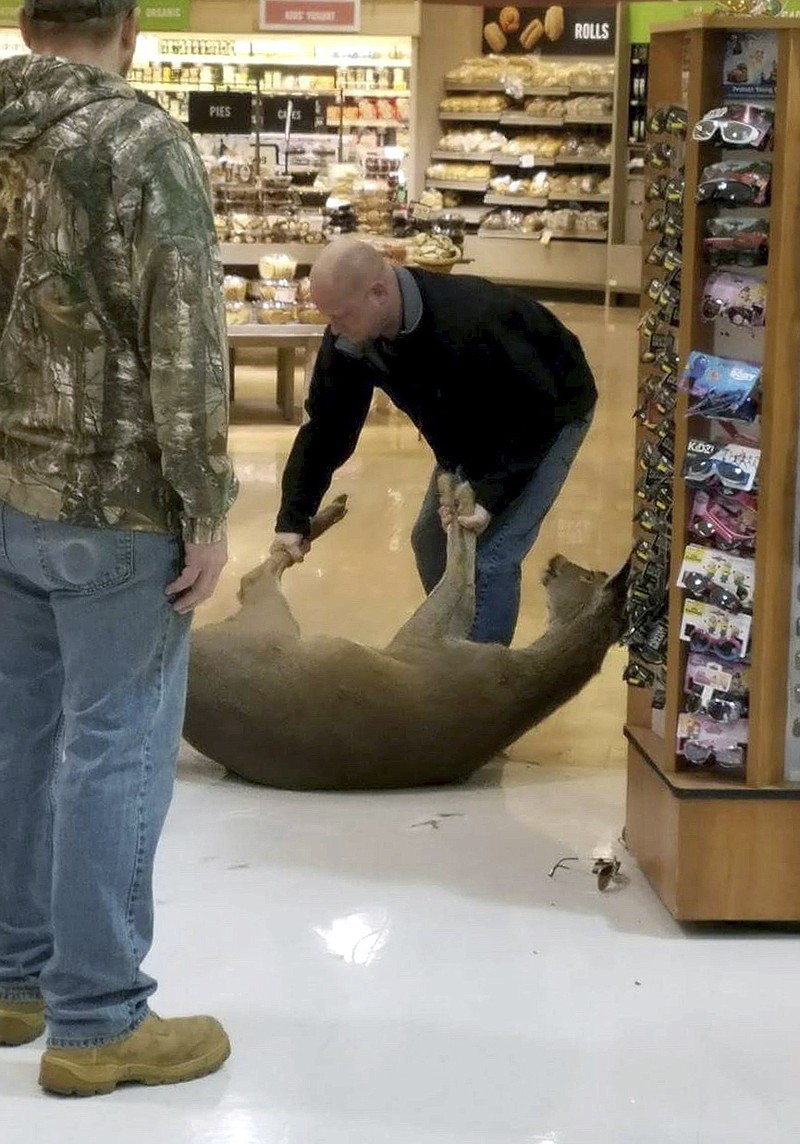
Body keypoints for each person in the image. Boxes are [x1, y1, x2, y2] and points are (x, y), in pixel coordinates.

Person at [0, 0, 238, 1096]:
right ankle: (98, 1021)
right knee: (115, 743)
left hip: (6, 494)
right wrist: (207, 502)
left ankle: (14, 978)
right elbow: (183, 335)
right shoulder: (142, 143)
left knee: (20, 735)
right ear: (129, 27)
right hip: (112, 504)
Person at [272, 238, 597, 646]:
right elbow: (327, 427)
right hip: (466, 428)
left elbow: (535, 410)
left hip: (549, 412)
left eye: (341, 316)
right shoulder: (353, 336)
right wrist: (294, 518)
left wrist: (490, 495)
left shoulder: (470, 319)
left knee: (490, 557)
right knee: (430, 541)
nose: (334, 330)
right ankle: (454, 644)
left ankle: (476, 692)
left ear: (378, 293)